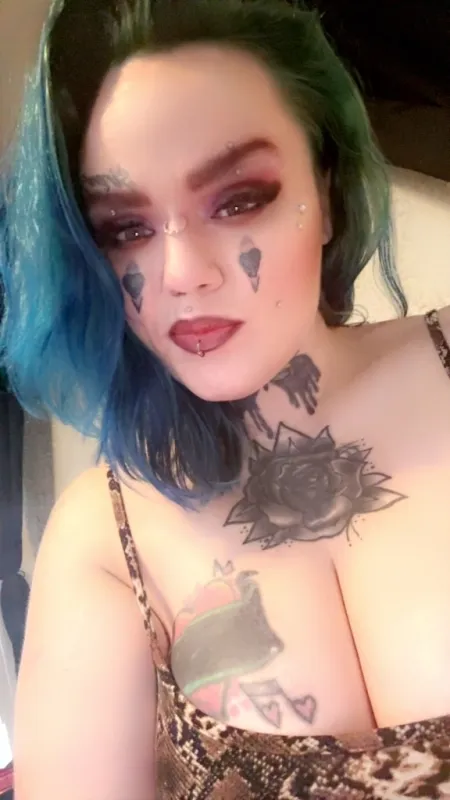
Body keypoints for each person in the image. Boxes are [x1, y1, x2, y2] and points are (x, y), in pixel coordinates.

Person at [1, 0, 449, 797]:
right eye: (125, 227)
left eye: (239, 198)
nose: (183, 274)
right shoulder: (104, 540)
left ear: (329, 188)